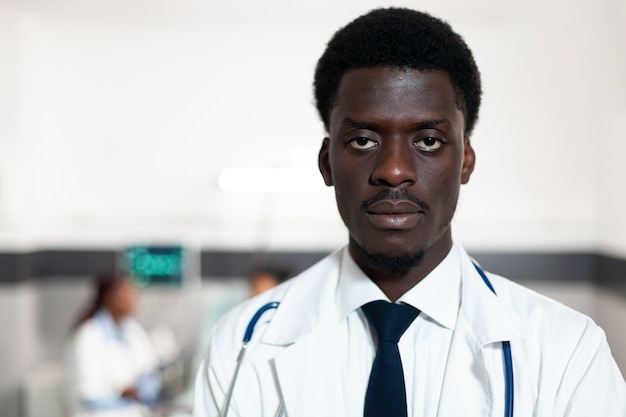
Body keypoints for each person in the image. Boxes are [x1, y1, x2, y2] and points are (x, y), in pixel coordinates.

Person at [193, 8, 626, 417]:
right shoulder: (241, 344)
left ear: (466, 162)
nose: (394, 170)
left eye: (429, 141)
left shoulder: (568, 352)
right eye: (363, 140)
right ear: (327, 162)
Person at [66, 273, 162, 416]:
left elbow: (149, 372)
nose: (134, 298)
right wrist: (123, 394)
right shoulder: (88, 337)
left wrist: (141, 389)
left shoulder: (133, 330)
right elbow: (89, 394)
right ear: (111, 298)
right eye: (128, 292)